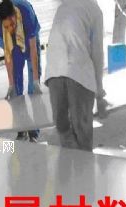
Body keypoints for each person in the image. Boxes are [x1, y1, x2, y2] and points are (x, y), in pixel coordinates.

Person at [45, 0, 106, 152]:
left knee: (62, 126)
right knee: (81, 128)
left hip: (55, 70)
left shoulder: (64, 7)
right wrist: (99, 91)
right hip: (76, 69)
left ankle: (75, 158)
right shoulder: (94, 10)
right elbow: (97, 51)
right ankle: (83, 161)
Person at [0, 0, 42, 142]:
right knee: (16, 89)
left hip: (28, 39)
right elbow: (8, 56)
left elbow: (33, 49)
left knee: (33, 91)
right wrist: (11, 84)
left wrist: (36, 80)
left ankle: (34, 131)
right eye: (6, 26)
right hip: (14, 44)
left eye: (11, 25)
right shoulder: (0, 26)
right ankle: (22, 129)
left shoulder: (27, 14)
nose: (9, 28)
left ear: (14, 16)